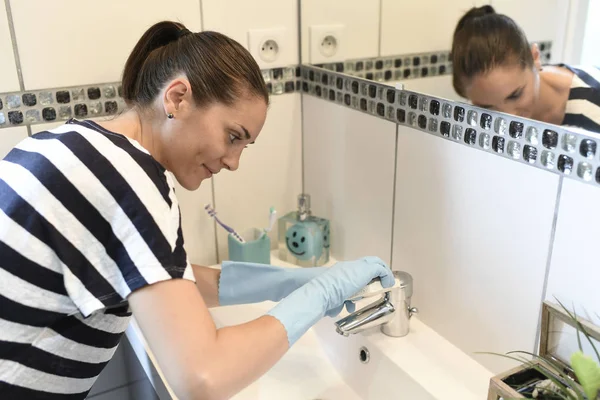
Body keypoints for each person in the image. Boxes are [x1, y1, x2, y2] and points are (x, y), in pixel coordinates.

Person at [0, 21, 394, 400]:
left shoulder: (76, 144)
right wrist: (321, 295)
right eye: (233, 136)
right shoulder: (129, 180)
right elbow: (203, 378)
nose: (234, 162)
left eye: (245, 145)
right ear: (177, 98)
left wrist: (286, 282)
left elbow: (166, 279)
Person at [451, 5, 600, 132]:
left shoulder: (593, 108)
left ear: (535, 58)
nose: (509, 118)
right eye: (487, 106)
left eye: (515, 95)